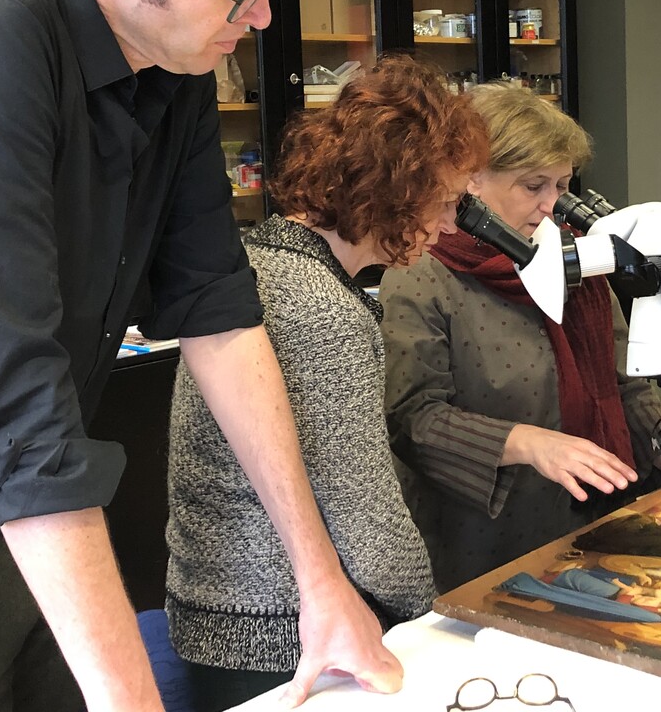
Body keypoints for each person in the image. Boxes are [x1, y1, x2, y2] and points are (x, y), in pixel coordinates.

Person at [0, 0, 394, 712]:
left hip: (33, 521)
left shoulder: (175, 63)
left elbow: (218, 311)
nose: (261, 18)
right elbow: (12, 395)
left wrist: (320, 583)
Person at [165, 57, 489, 712]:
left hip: (214, 611)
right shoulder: (322, 310)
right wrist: (437, 616)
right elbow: (362, 510)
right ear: (398, 188)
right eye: (447, 201)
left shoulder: (258, 259)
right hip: (277, 635)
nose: (452, 224)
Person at [380, 82, 661, 593]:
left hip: (597, 517)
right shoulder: (421, 275)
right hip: (487, 536)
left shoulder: (575, 262)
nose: (550, 205)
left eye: (561, 186)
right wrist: (527, 443)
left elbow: (625, 386)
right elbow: (412, 419)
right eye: (533, 186)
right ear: (471, 180)